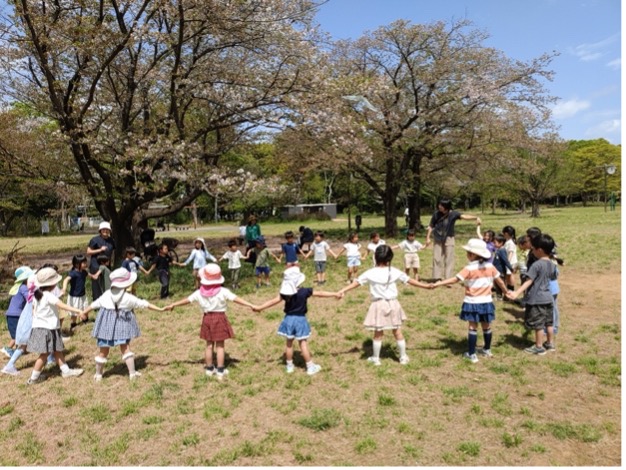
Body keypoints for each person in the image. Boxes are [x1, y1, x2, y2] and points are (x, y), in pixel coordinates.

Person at [337, 245, 433, 366]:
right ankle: (403, 357)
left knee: (378, 333)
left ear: (375, 257)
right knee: (397, 331)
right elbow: (410, 280)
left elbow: (356, 283)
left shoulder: (370, 272)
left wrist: (343, 290)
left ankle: (376, 358)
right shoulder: (394, 271)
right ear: (389, 259)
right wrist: (426, 286)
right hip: (393, 304)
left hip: (378, 305)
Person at [164, 264, 257, 380]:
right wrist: (251, 305)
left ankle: (209, 369)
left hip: (207, 319)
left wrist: (173, 304)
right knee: (220, 346)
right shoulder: (223, 291)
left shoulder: (199, 292)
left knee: (208, 345)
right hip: (219, 319)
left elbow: (187, 300)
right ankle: (220, 370)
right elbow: (236, 299)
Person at [253, 266, 340, 375]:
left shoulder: (285, 294)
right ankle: (310, 367)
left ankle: (289, 366)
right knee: (303, 344)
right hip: (300, 320)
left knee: (289, 343)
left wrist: (260, 307)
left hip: (288, 319)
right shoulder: (304, 291)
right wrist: (335, 294)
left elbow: (272, 301)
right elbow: (321, 293)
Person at [81, 268, 164, 381]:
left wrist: (84, 312)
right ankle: (132, 373)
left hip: (105, 327)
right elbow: (144, 304)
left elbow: (94, 304)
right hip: (122, 326)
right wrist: (161, 309)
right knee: (125, 348)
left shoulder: (106, 294)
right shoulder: (128, 297)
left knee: (103, 350)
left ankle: (98, 375)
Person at [433, 239, 508, 363]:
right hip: (487, 302)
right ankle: (487, 349)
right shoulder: (490, 266)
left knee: (473, 327)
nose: (467, 254)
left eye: (468, 252)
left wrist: (439, 283)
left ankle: (472, 354)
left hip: (472, 302)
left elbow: (455, 279)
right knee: (486, 325)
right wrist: (506, 292)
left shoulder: (469, 268)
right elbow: (499, 281)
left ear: (472, 255)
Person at [25, 267, 85, 384]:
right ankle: (33, 378)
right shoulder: (49, 295)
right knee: (44, 354)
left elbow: (34, 311)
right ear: (53, 284)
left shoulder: (37, 294)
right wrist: (78, 311)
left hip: (41, 328)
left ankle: (65, 370)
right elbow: (62, 305)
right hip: (48, 329)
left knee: (57, 350)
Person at [506, 234, 558, 355]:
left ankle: (538, 346)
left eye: (533, 249)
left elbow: (529, 280)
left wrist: (516, 293)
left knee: (538, 324)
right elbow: (553, 277)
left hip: (537, 299)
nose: (532, 251)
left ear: (539, 250)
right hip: (549, 298)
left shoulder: (536, 265)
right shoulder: (552, 264)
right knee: (549, 322)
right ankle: (550, 343)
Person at [425, 199, 481, 280]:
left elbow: (464, 216)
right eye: (439, 205)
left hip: (449, 238)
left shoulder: (453, 214)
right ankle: (436, 278)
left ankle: (448, 279)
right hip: (437, 238)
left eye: (441, 205)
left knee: (449, 259)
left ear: (446, 207)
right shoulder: (436, 214)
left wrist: (475, 217)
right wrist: (428, 238)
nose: (439, 206)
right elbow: (431, 226)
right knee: (436, 258)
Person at [2, 266, 33, 359]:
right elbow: (29, 298)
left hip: (12, 315)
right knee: (17, 336)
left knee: (18, 333)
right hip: (15, 315)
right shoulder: (23, 287)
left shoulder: (18, 286)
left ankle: (20, 349)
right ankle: (7, 349)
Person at [60, 254, 96, 332]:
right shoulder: (73, 273)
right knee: (74, 312)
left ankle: (85, 321)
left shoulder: (83, 272)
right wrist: (64, 289)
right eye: (84, 263)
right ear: (77, 264)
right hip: (74, 296)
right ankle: (73, 324)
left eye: (86, 262)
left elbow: (89, 275)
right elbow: (66, 280)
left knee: (85, 308)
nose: (86, 264)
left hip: (83, 295)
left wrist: (94, 276)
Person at [87, 221, 116, 301]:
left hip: (107, 265)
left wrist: (111, 262)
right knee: (96, 285)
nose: (105, 231)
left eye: (107, 230)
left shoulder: (111, 240)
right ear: (100, 231)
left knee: (107, 284)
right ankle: (97, 303)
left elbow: (112, 252)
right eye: (103, 230)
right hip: (96, 265)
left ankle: (107, 301)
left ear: (109, 231)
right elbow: (88, 251)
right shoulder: (95, 240)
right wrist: (99, 250)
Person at [492, 235, 514, 300]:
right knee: (496, 283)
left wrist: (510, 268)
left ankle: (505, 296)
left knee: (500, 283)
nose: (494, 244)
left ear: (501, 243)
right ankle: (499, 296)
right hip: (496, 270)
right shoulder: (498, 250)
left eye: (495, 242)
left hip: (500, 271)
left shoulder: (502, 250)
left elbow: (505, 260)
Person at [502, 226, 518, 290]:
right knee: (508, 276)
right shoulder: (508, 241)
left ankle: (511, 289)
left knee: (510, 275)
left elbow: (510, 253)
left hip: (511, 262)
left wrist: (507, 262)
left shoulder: (510, 243)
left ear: (506, 234)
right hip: (510, 261)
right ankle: (508, 288)